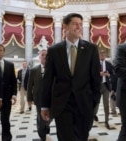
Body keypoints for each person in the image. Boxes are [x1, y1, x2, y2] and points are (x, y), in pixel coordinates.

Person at [40, 13, 101, 141]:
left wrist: (94, 102)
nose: (79, 27)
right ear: (65, 27)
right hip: (62, 105)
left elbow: (96, 79)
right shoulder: (54, 50)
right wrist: (45, 106)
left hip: (84, 104)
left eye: (80, 24)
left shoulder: (91, 49)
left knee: (82, 137)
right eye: (75, 24)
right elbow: (48, 80)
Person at [0, 44, 17, 141]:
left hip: (7, 97)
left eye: (1, 50)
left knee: (5, 119)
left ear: (4, 52)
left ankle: (6, 138)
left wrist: (14, 94)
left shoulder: (10, 65)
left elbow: (13, 81)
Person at [27, 49, 51, 141]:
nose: (45, 56)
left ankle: (46, 127)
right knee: (41, 118)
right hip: (39, 98)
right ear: (39, 57)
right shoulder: (34, 70)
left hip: (51, 99)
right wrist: (29, 98)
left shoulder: (53, 69)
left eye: (46, 55)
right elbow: (30, 85)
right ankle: (42, 135)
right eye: (43, 55)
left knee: (49, 117)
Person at [93, 49, 113, 129]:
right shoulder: (95, 64)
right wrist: (99, 74)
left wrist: (108, 75)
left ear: (105, 55)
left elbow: (112, 74)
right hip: (97, 86)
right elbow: (92, 74)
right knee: (96, 103)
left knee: (106, 104)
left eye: (104, 54)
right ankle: (94, 114)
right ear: (98, 55)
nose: (102, 55)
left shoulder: (108, 64)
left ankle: (106, 121)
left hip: (106, 86)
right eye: (101, 54)